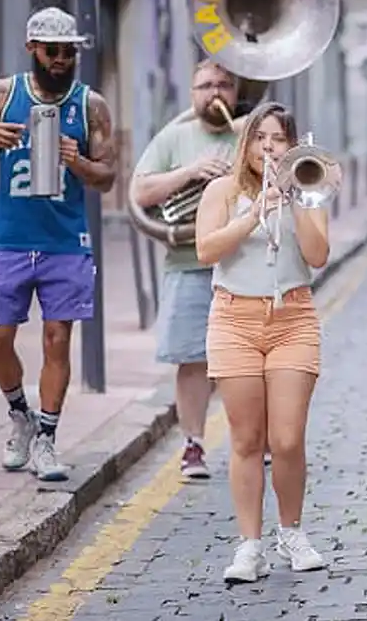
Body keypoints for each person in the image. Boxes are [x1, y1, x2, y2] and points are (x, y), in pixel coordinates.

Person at [0, 7, 117, 482]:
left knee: (57, 338)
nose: (62, 60)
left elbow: (108, 178)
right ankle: (20, 415)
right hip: (10, 237)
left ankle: (46, 438)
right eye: (53, 51)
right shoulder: (3, 95)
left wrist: (80, 163)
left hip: (66, 241)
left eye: (70, 51)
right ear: (32, 48)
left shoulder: (91, 105)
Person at [195, 102, 333, 583]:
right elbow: (206, 249)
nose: (269, 147)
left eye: (278, 139)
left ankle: (291, 532)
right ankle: (249, 545)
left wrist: (292, 198)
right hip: (234, 319)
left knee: (288, 438)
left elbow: (317, 256)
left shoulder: (310, 191)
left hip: (293, 318)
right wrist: (255, 213)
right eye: (261, 138)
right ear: (246, 142)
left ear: (292, 146)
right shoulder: (222, 190)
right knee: (247, 438)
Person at [132, 60, 244, 481]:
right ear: (192, 93)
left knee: (248, 361)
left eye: (223, 85)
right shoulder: (174, 137)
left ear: (235, 92)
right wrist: (191, 172)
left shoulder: (248, 135)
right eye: (205, 85)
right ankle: (193, 446)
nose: (215, 92)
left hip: (242, 265)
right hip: (187, 264)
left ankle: (255, 440)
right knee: (191, 360)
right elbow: (141, 192)